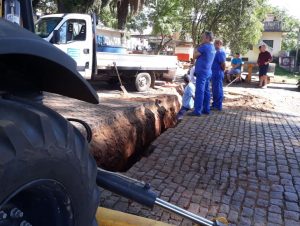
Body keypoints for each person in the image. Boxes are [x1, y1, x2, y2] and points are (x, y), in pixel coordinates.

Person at [190, 31, 216, 116]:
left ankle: (197, 111)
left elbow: (195, 55)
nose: (202, 39)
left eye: (203, 37)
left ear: (207, 38)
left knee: (199, 91)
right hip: (208, 72)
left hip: (201, 72)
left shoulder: (204, 47)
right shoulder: (212, 47)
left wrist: (196, 49)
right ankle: (206, 109)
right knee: (206, 91)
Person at [211, 39, 226, 111]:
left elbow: (223, 64)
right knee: (214, 90)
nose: (215, 45)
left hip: (218, 73)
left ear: (220, 44)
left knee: (218, 90)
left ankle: (218, 106)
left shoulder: (220, 52)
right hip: (214, 73)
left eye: (217, 43)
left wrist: (222, 70)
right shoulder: (215, 52)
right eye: (215, 43)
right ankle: (214, 104)